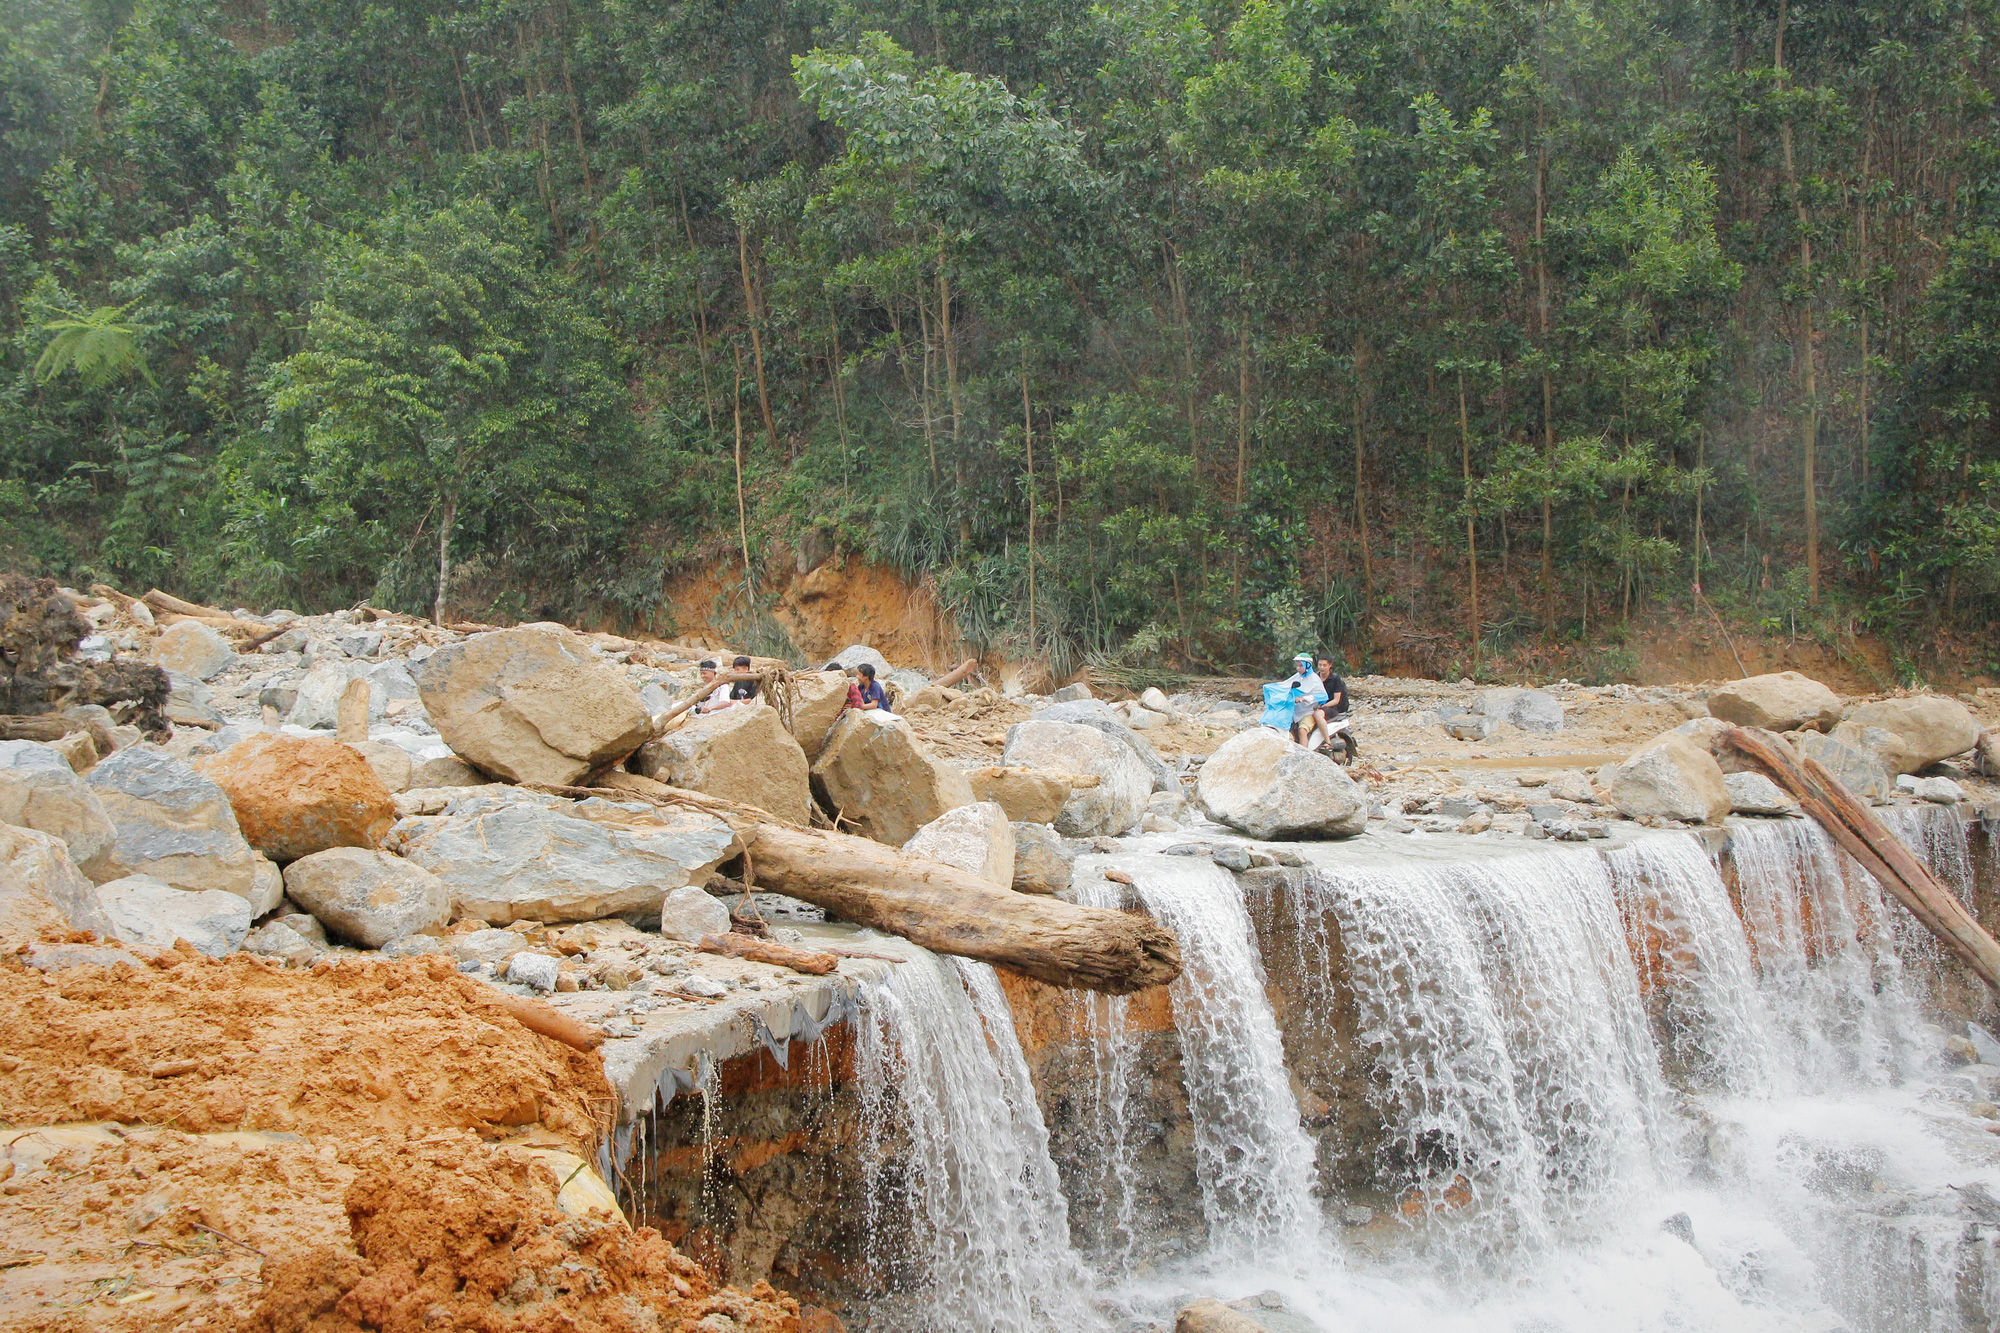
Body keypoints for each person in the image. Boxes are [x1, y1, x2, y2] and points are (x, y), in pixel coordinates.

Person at [1282, 652, 1330, 750]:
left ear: (1307, 665)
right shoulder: (1297, 677)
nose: (1298, 668)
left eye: (1300, 666)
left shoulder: (1314, 679)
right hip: (1295, 711)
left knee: (1302, 730)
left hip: (1308, 712)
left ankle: (1304, 754)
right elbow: (1285, 686)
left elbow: (1322, 696)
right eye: (1297, 665)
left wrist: (1304, 699)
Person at [1313, 656, 1357, 761]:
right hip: (1315, 705)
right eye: (1320, 665)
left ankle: (1327, 742)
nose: (1322, 668)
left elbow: (1336, 700)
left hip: (1331, 708)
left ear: (1330, 666)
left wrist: (1323, 706)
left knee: (1318, 715)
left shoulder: (1335, 679)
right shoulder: (1315, 678)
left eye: (1324, 665)